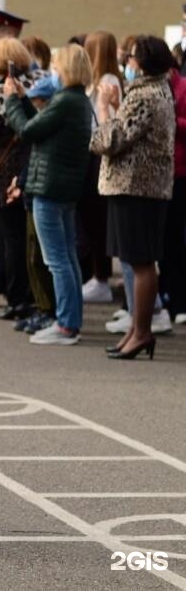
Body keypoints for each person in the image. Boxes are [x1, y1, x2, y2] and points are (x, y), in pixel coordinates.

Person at [91, 36, 176, 359]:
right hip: (141, 186)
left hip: (137, 186)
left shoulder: (144, 94)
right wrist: (115, 108)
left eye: (131, 58)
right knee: (134, 259)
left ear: (143, 63)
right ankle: (135, 329)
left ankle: (141, 332)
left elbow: (111, 140)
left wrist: (102, 108)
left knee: (141, 262)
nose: (127, 62)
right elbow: (132, 132)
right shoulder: (155, 90)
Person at [4, 44, 93, 346]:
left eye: (56, 65)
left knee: (57, 259)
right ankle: (70, 321)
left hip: (49, 187)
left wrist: (11, 102)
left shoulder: (65, 100)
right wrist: (20, 99)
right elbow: (41, 126)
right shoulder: (75, 100)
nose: (52, 71)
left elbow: (27, 131)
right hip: (63, 188)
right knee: (67, 256)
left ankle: (66, 325)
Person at [0, 38, 38, 323]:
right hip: (36, 164)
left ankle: (16, 299)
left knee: (11, 237)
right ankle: (38, 298)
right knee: (34, 238)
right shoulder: (42, 81)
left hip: (7, 168)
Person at [79, 30, 124, 305]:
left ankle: (102, 277)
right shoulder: (95, 80)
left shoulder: (107, 81)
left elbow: (106, 121)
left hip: (100, 156)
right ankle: (98, 275)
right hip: (92, 153)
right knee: (92, 219)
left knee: (97, 219)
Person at [163, 47, 186, 323]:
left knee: (176, 240)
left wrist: (173, 121)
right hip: (162, 176)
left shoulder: (181, 88)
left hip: (180, 174)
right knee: (165, 242)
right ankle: (168, 295)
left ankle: (179, 300)